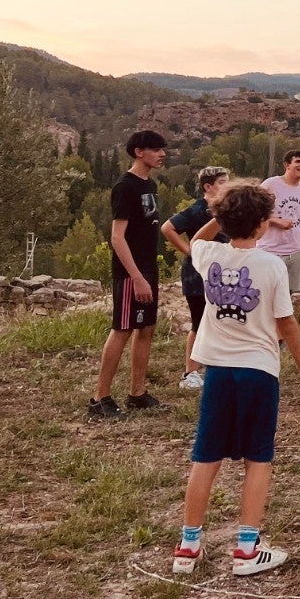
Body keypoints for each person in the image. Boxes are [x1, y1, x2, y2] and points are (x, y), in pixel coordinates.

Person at [172, 180, 300, 577]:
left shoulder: (208, 256)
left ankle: (188, 546)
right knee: (258, 457)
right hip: (258, 371)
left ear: (223, 220)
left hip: (216, 370)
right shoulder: (270, 265)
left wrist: (217, 214)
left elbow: (199, 238)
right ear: (261, 225)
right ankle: (247, 549)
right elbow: (285, 320)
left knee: (206, 456)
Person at [89, 130, 168, 421]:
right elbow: (117, 237)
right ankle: (100, 398)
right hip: (129, 273)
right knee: (122, 330)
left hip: (148, 268)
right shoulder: (125, 187)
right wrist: (135, 277)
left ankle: (137, 393)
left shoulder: (150, 185)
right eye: (156, 149)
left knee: (145, 329)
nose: (162, 154)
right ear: (138, 151)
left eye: (163, 149)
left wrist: (147, 273)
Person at [161, 166, 230, 391]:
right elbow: (168, 228)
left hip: (221, 274)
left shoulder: (225, 210)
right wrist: (188, 250)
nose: (227, 185)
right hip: (196, 275)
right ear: (207, 186)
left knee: (220, 320)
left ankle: (216, 368)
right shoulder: (197, 210)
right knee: (199, 322)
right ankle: (190, 372)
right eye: (222, 182)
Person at [257, 151, 300, 294]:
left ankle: (285, 317)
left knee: (288, 295)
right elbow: (253, 212)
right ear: (287, 165)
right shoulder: (270, 184)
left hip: (297, 251)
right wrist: (275, 221)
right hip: (271, 250)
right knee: (267, 293)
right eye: (298, 161)